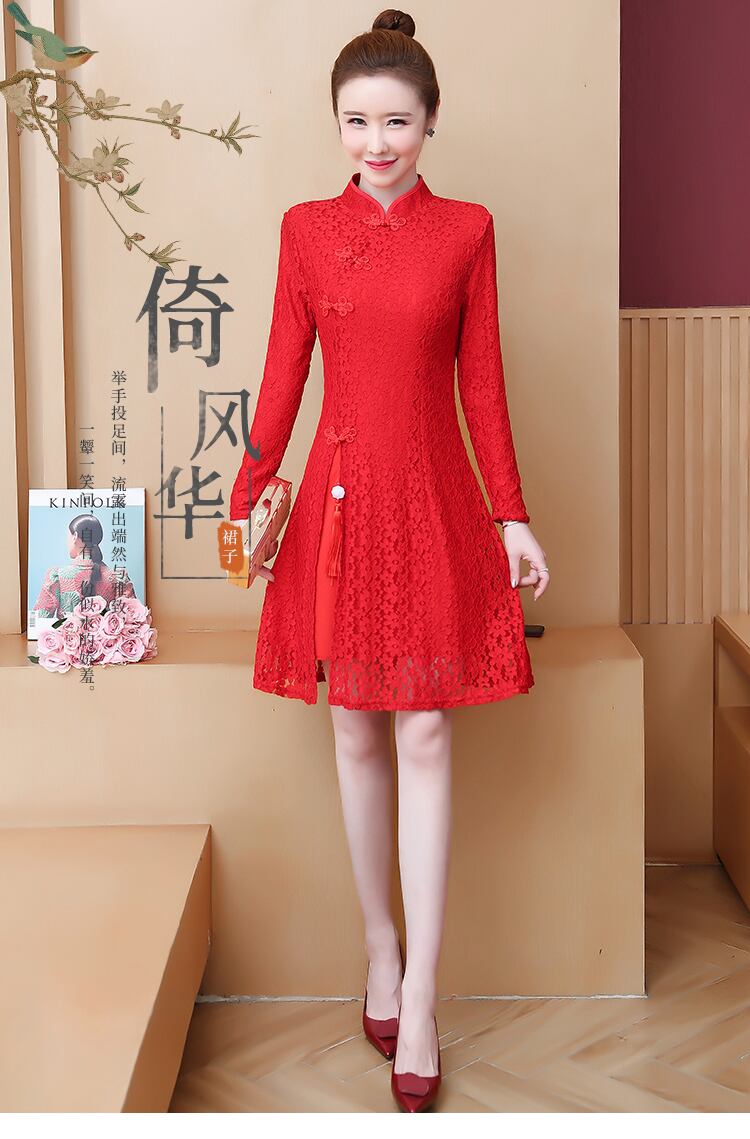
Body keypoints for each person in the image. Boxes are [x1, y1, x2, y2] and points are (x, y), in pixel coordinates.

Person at [230, 8, 550, 1112]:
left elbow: (483, 382)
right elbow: (283, 372)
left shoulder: (467, 230)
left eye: (396, 121)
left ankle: (421, 996)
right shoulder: (305, 230)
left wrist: (512, 516)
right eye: (357, 121)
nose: (376, 141)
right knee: (356, 728)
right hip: (335, 503)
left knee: (425, 729)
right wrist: (248, 493)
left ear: (431, 121)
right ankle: (379, 947)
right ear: (337, 123)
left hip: (435, 498)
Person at [32, 513, 137, 620]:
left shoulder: (57, 575)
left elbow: (38, 619)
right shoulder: (119, 577)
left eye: (68, 537)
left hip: (69, 631)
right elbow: (134, 620)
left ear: (75, 537)